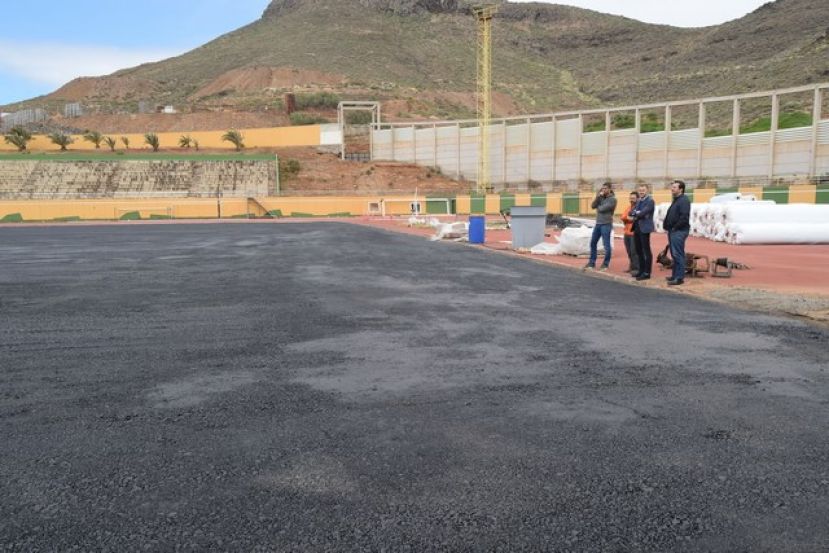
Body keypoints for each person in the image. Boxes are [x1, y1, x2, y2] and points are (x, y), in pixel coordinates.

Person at [662, 180, 692, 286]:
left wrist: (675, 227)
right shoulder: (676, 200)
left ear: (681, 189)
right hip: (673, 230)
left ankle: (679, 278)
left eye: (674, 187)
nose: (672, 189)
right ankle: (674, 275)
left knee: (678, 254)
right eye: (672, 187)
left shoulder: (684, 201)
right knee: (674, 254)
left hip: (679, 231)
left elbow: (684, 217)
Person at [583, 182, 617, 272]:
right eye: (602, 188)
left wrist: (599, 205)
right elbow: (593, 206)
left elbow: (601, 209)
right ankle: (592, 262)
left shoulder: (613, 199)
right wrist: (598, 197)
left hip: (606, 224)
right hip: (598, 224)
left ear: (610, 189)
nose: (603, 190)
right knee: (593, 243)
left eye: (605, 188)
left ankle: (605, 264)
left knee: (606, 246)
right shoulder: (600, 197)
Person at [630, 183, 655, 281]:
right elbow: (631, 212)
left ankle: (647, 272)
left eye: (643, 190)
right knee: (639, 251)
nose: (641, 192)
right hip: (637, 228)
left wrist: (637, 213)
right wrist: (637, 213)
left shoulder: (650, 201)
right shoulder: (639, 201)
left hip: (645, 229)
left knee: (646, 251)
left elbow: (644, 212)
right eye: (640, 190)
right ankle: (641, 270)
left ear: (647, 190)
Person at [620, 190, 640, 275]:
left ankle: (636, 268)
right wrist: (628, 218)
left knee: (634, 251)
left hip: (634, 233)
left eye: (633, 198)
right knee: (629, 251)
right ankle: (631, 266)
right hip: (627, 233)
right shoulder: (629, 207)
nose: (631, 200)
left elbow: (635, 218)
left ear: (637, 199)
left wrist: (628, 218)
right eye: (630, 198)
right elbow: (623, 217)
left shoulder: (639, 208)